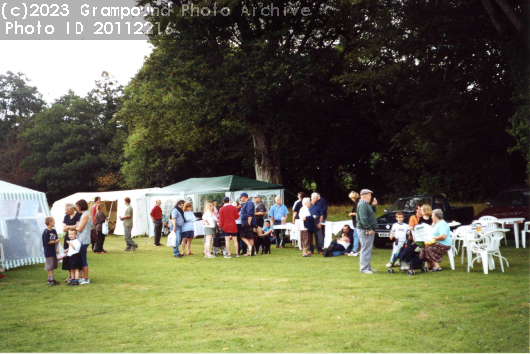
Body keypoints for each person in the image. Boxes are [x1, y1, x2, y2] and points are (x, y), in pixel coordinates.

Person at [357, 189, 378, 274]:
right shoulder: (362, 204)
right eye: (370, 195)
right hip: (365, 230)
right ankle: (363, 268)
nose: (371, 197)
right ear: (365, 196)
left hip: (365, 229)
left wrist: (374, 206)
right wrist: (369, 228)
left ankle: (367, 266)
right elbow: (363, 219)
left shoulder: (365, 204)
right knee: (365, 249)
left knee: (368, 249)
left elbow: (369, 214)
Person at [62, 203, 82, 282]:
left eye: (68, 210)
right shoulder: (66, 216)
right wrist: (73, 226)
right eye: (65, 210)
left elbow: (78, 227)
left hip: (76, 237)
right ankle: (70, 275)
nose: (66, 211)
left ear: (73, 208)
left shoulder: (79, 215)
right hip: (68, 237)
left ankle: (79, 274)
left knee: (76, 255)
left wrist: (68, 227)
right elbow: (63, 229)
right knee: (68, 256)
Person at [75, 199, 92, 284]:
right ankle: (82, 277)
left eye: (77, 206)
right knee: (81, 258)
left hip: (84, 239)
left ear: (81, 206)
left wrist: (76, 227)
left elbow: (80, 229)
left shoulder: (85, 215)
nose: (76, 208)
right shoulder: (83, 215)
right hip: (81, 239)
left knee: (83, 258)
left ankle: (86, 278)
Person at [42, 217, 60, 286]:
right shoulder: (46, 232)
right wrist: (55, 241)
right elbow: (47, 242)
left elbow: (57, 240)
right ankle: (50, 279)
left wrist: (57, 248)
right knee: (50, 266)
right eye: (53, 221)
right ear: (50, 222)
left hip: (53, 250)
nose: (54, 223)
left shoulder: (54, 231)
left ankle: (51, 278)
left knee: (53, 265)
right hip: (48, 251)